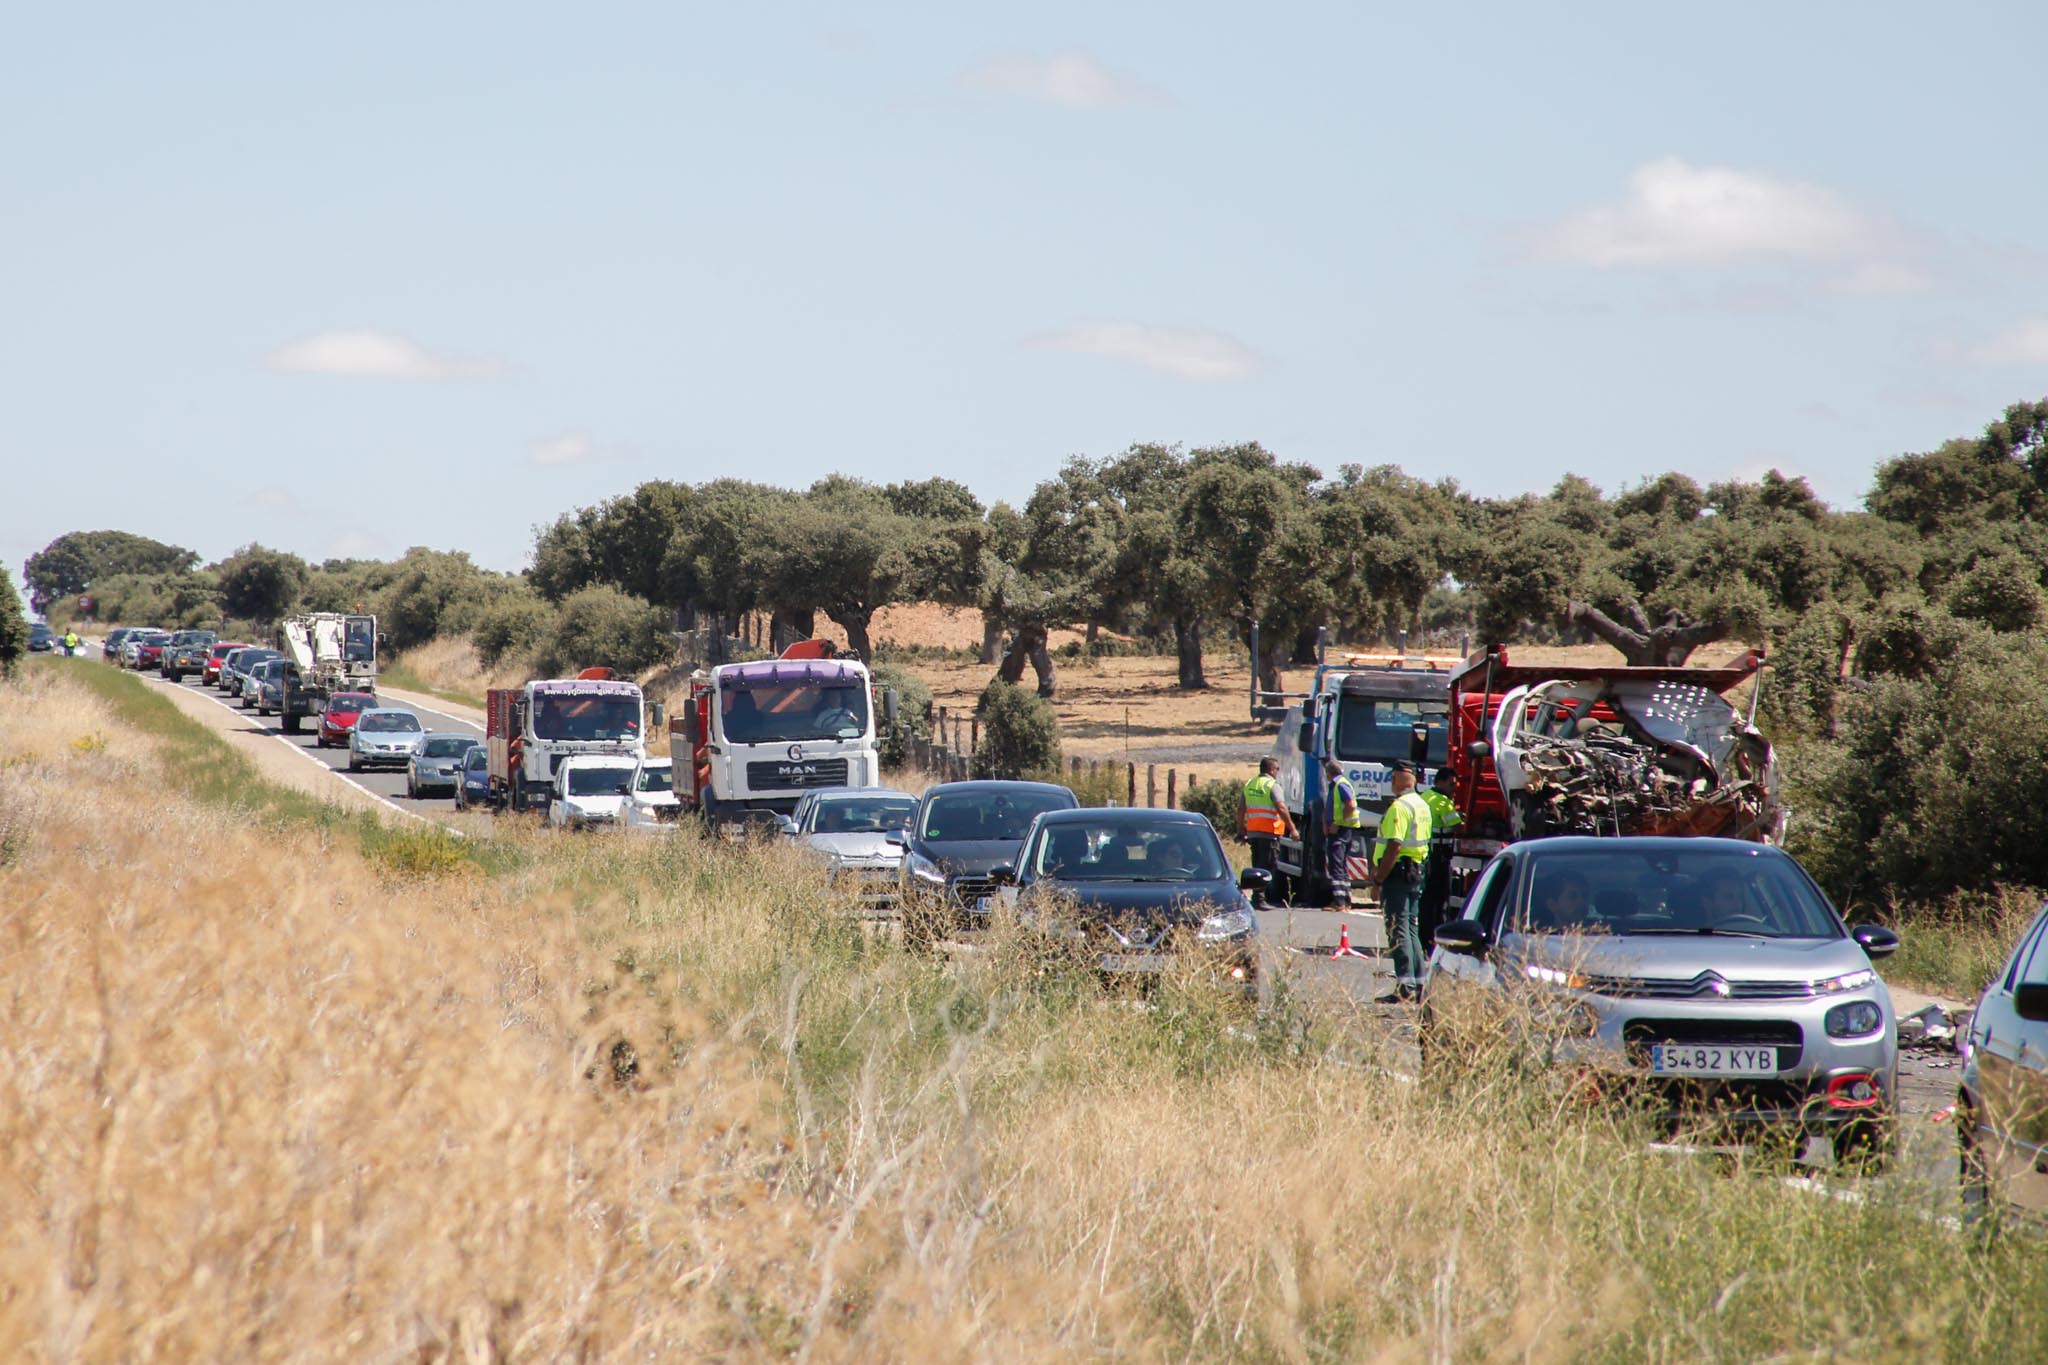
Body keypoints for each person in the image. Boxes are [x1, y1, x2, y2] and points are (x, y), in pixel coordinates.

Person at [1368, 759, 1433, 1001]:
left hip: (1398, 873)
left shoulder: (1400, 807)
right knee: (1411, 929)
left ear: (1399, 778)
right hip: (1416, 871)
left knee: (1398, 930)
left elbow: (1394, 845)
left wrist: (1378, 880)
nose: (1391, 781)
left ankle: (1405, 988)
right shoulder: (1421, 804)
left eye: (1393, 777)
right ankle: (1418, 985)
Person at [1418, 766, 1463, 950]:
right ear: (1441, 781)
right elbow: (1457, 826)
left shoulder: (1426, 796)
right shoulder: (1443, 802)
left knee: (1427, 900)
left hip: (1427, 853)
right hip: (1440, 857)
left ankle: (1424, 938)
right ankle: (1436, 940)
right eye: (1451, 784)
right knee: (1440, 900)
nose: (1454, 789)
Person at [1241, 757, 1296, 906]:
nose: (1278, 772)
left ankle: (1258, 896)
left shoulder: (1250, 784)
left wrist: (1241, 829)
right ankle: (1259, 897)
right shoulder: (1272, 786)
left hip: (1253, 832)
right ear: (1271, 770)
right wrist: (1292, 828)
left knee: (1257, 863)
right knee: (1268, 865)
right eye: (1277, 769)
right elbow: (1281, 808)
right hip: (1269, 831)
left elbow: (1241, 809)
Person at [1322, 758, 1365, 908]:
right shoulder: (1338, 784)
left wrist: (1337, 823)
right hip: (1342, 830)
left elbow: (1351, 805)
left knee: (1337, 866)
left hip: (1340, 831)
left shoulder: (1340, 784)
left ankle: (1340, 901)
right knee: (1341, 865)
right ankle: (1345, 900)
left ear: (1329, 773)